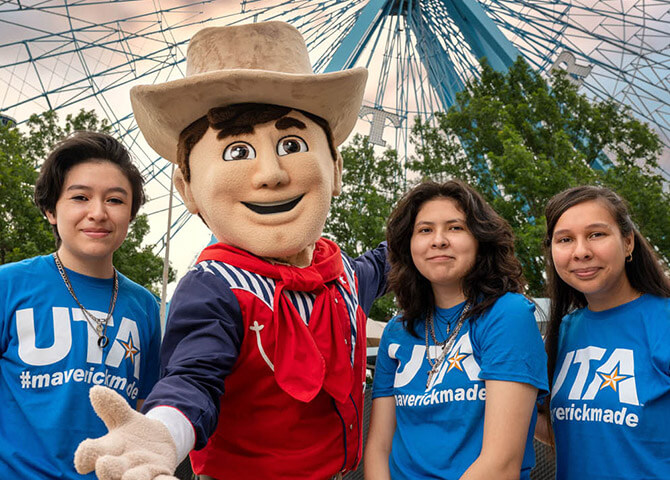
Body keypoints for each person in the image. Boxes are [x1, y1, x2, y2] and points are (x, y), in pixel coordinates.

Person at [74, 21, 388, 480]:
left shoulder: (340, 273)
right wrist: (163, 433)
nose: (271, 174)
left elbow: (391, 260)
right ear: (188, 189)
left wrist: (442, 227)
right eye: (238, 152)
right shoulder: (216, 289)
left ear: (336, 168)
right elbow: (195, 376)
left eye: (292, 145)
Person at [0, 131, 161, 479]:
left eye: (115, 200)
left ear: (131, 214)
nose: (98, 213)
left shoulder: (145, 307)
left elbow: (141, 410)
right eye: (80, 197)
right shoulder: (8, 286)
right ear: (50, 210)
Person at [365, 180, 548, 480]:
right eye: (425, 230)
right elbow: (379, 447)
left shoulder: (508, 315)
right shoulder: (397, 331)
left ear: (480, 240)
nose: (438, 240)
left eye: (455, 228)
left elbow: (501, 463)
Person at [537, 185, 670, 479]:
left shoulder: (664, 320)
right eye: (565, 239)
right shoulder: (562, 333)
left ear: (628, 242)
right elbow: (575, 433)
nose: (581, 251)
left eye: (596, 234)